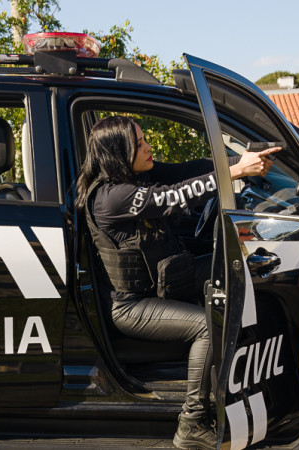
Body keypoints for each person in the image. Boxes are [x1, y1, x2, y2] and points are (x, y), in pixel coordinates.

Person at [75, 116, 280, 449]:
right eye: (139, 144)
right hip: (132, 306)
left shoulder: (136, 176)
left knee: (235, 270)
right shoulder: (113, 196)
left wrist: (241, 158)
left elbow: (190, 170)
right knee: (206, 326)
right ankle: (193, 421)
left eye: (144, 139)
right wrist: (238, 172)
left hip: (162, 285)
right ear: (118, 152)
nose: (148, 146)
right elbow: (179, 193)